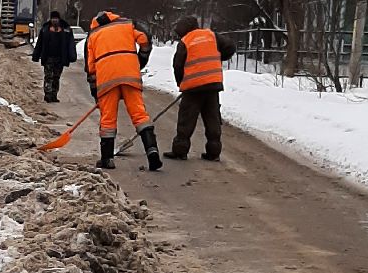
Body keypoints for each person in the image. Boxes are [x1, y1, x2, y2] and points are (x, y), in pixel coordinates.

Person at [83, 10, 162, 171]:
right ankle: (152, 150)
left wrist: (95, 92)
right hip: (129, 75)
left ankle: (107, 159)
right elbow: (144, 39)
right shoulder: (126, 25)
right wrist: (141, 59)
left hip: (106, 79)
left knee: (108, 119)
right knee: (139, 114)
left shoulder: (93, 35)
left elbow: (91, 67)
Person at [166, 17, 233, 161]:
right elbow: (230, 47)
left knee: (186, 119)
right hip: (212, 84)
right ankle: (214, 152)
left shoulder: (185, 41)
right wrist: (218, 57)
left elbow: (178, 65)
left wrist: (181, 83)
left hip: (193, 88)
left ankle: (180, 151)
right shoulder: (212, 36)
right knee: (212, 118)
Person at [31, 10, 77, 102]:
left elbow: (70, 44)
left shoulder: (66, 29)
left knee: (56, 77)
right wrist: (36, 55)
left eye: (56, 18)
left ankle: (54, 95)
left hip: (60, 58)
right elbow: (40, 43)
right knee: (48, 76)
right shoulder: (45, 29)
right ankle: (48, 94)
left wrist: (72, 55)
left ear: (59, 19)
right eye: (53, 18)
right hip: (48, 57)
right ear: (50, 19)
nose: (54, 20)